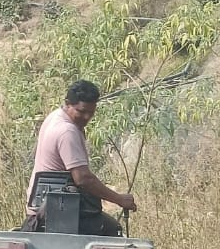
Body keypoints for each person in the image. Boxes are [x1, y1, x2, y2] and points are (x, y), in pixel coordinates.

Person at [24, 80, 137, 236]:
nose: (86, 117)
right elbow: (83, 179)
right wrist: (119, 199)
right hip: (57, 210)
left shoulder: (55, 117)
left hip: (44, 205)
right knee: (112, 229)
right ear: (67, 104)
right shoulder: (67, 131)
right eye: (81, 111)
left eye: (91, 112)